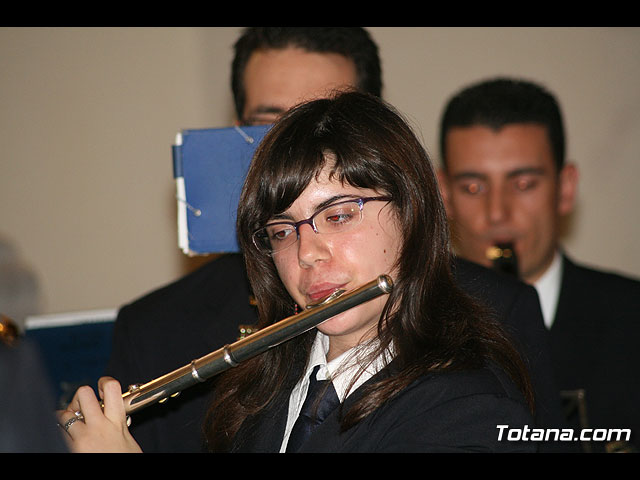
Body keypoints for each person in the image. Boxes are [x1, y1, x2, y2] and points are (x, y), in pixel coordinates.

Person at [105, 28, 562, 452]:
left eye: (340, 215)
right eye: (282, 231)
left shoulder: (469, 410)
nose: (307, 252)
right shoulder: (260, 392)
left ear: (410, 208)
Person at [437, 77, 640, 452]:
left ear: (565, 188)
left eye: (524, 183)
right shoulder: (409, 332)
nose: (497, 213)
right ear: (444, 195)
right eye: (472, 187)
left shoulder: (631, 318)